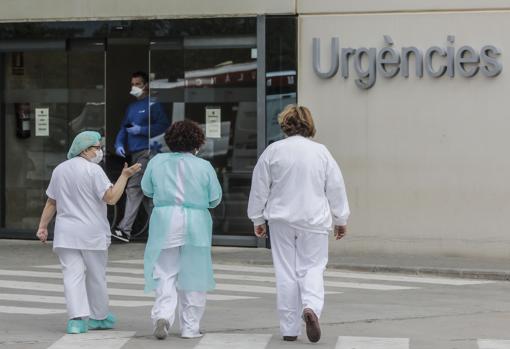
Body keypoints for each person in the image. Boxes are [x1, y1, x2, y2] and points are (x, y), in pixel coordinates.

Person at [247, 105, 350, 343]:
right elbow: (335, 187)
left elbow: (260, 187)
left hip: (281, 220)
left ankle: (289, 329)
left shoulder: (273, 151)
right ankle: (311, 307)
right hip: (313, 220)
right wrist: (340, 219)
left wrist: (258, 218)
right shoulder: (321, 152)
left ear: (284, 124)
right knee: (312, 267)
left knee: (286, 272)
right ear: (309, 124)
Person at [36, 131, 141, 334]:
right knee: (96, 275)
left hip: (66, 233)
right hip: (92, 233)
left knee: (71, 275)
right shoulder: (94, 171)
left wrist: (42, 226)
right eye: (97, 147)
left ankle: (76, 320)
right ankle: (99, 317)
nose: (100, 151)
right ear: (85, 150)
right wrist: (124, 176)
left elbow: (51, 201)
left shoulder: (60, 170)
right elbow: (111, 198)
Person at [141, 120, 222, 340]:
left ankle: (163, 315)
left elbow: (147, 190)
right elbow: (214, 198)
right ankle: (190, 327)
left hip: (165, 220)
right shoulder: (203, 166)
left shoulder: (157, 162)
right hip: (196, 221)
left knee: (165, 271)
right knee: (195, 274)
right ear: (197, 142)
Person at [113, 71, 170, 242]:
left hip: (148, 152)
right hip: (135, 153)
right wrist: (119, 144)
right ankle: (163, 230)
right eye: (133, 84)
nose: (134, 87)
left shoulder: (154, 105)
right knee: (147, 195)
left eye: (138, 84)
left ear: (146, 85)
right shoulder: (132, 107)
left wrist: (142, 130)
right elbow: (124, 127)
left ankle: (125, 229)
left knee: (134, 188)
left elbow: (163, 125)